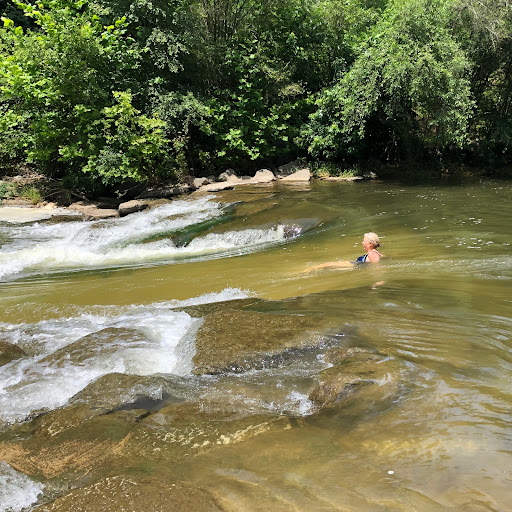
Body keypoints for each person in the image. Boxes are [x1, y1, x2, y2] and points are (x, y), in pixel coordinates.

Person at [303, 232, 382, 272]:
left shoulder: (372, 254)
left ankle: (307, 271)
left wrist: (378, 281)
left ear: (370, 244)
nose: (362, 243)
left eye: (364, 241)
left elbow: (377, 266)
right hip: (355, 264)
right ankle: (310, 270)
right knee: (327, 265)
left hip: (353, 265)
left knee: (326, 265)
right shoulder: (376, 253)